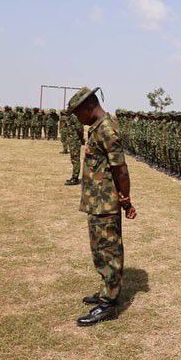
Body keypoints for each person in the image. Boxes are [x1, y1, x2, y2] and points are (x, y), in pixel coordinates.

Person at [65, 86, 137, 326]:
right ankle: (107, 290)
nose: (78, 119)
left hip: (106, 201)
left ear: (89, 107)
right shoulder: (97, 127)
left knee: (109, 249)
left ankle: (109, 303)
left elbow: (120, 168)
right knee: (99, 250)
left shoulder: (106, 128)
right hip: (97, 200)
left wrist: (125, 199)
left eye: (78, 113)